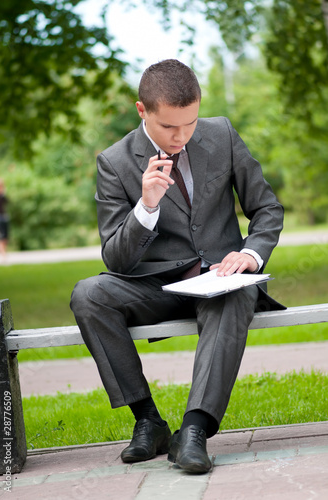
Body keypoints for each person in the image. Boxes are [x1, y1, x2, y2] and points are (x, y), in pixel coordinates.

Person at [70, 59, 285, 474]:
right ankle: (148, 421)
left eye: (189, 123)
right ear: (142, 111)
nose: (181, 136)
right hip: (157, 287)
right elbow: (115, 259)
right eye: (170, 127)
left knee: (238, 290)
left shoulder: (220, 134)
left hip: (223, 279)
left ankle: (195, 430)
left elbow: (267, 208)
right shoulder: (115, 163)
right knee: (88, 294)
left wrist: (251, 255)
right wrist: (146, 206)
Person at [0, 178, 10, 260]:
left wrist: (3, 194)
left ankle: (4, 252)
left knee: (5, 236)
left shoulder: (2, 196)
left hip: (4, 217)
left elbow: (7, 202)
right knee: (1, 236)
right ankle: (3, 254)